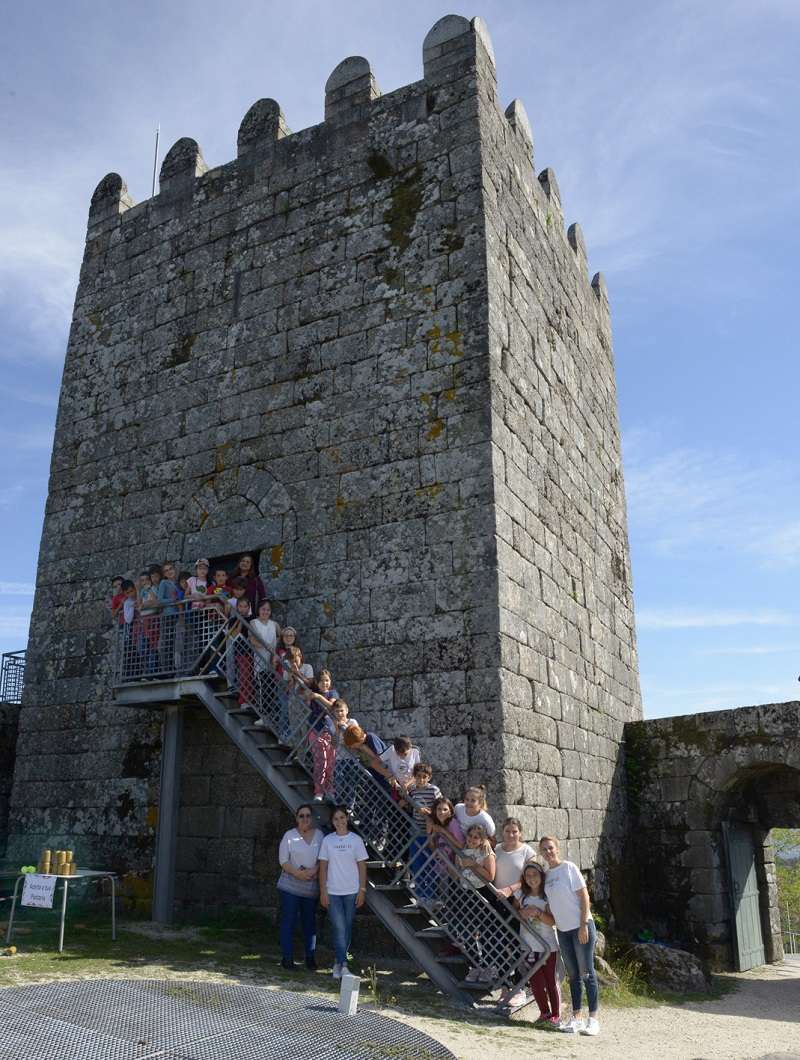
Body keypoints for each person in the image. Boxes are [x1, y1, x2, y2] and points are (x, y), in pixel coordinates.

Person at [539, 836, 600, 1036]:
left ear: (557, 849)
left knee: (587, 972)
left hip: (581, 927)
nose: (548, 852)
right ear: (541, 853)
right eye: (544, 849)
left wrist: (583, 925)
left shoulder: (569, 868)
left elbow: (584, 897)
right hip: (563, 931)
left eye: (551, 848)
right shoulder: (547, 876)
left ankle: (593, 1019)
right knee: (573, 975)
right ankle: (577, 1017)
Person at [318, 806, 369, 979]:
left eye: (342, 818)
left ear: (347, 818)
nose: (339, 821)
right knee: (339, 928)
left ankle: (337, 963)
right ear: (332, 822)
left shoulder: (356, 840)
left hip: (352, 891)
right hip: (332, 891)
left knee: (346, 927)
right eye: (336, 819)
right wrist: (323, 891)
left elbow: (362, 866)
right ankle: (344, 964)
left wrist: (362, 890)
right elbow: (323, 867)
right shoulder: (328, 841)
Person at [511, 861, 560, 1021]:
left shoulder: (547, 896)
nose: (532, 878)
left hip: (548, 946)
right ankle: (544, 1012)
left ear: (541, 876)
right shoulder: (521, 895)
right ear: (524, 878)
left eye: (535, 875)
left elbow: (552, 921)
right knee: (536, 981)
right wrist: (522, 913)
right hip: (529, 946)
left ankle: (556, 1014)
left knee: (551, 981)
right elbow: (514, 911)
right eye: (528, 875)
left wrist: (538, 913)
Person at [277, 805, 324, 971]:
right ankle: (287, 958)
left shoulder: (319, 835)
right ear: (296, 818)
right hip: (291, 885)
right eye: (302, 816)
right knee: (289, 921)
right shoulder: (289, 836)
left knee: (309, 924)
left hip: (310, 886)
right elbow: (283, 860)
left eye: (308, 816)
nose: (305, 819)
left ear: (312, 818)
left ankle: (310, 959)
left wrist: (315, 870)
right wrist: (297, 873)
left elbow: (323, 858)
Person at [455, 824, 497, 981]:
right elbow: (457, 869)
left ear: (482, 839)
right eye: (470, 836)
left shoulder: (486, 852)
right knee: (467, 932)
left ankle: (487, 966)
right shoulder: (462, 851)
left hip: (481, 893)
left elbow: (490, 876)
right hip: (466, 893)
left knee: (484, 931)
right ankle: (474, 966)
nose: (472, 839)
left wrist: (474, 865)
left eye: (476, 837)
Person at [404, 763, 442, 902]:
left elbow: (441, 808)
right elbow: (408, 801)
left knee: (430, 863)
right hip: (416, 830)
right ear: (414, 777)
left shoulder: (434, 790)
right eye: (418, 776)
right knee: (417, 862)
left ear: (429, 777)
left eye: (424, 777)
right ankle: (420, 894)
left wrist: (428, 812)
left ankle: (430, 894)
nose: (421, 779)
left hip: (430, 831)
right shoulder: (413, 790)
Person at [306, 670, 340, 802]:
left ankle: (330, 790)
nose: (324, 683)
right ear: (317, 683)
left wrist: (318, 697)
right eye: (321, 681)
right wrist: (311, 696)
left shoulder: (332, 693)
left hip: (330, 732)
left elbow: (332, 705)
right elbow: (305, 699)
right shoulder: (312, 693)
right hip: (316, 731)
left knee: (331, 764)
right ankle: (319, 791)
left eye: (327, 680)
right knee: (321, 762)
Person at [250, 600, 281, 731]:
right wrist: (265, 646)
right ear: (258, 610)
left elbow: (280, 636)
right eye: (263, 609)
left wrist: (275, 650)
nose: (265, 612)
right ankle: (264, 716)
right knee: (262, 688)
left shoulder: (274, 624)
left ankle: (272, 717)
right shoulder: (254, 623)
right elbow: (252, 640)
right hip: (260, 658)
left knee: (272, 688)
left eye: (268, 610)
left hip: (272, 659)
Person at [156, 562, 180, 672]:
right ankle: (166, 669)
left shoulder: (177, 583)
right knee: (166, 643)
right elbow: (160, 601)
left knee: (175, 642)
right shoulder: (164, 583)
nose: (169, 571)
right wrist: (172, 600)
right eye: (166, 570)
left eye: (171, 568)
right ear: (164, 574)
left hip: (177, 615)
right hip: (167, 616)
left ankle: (174, 668)